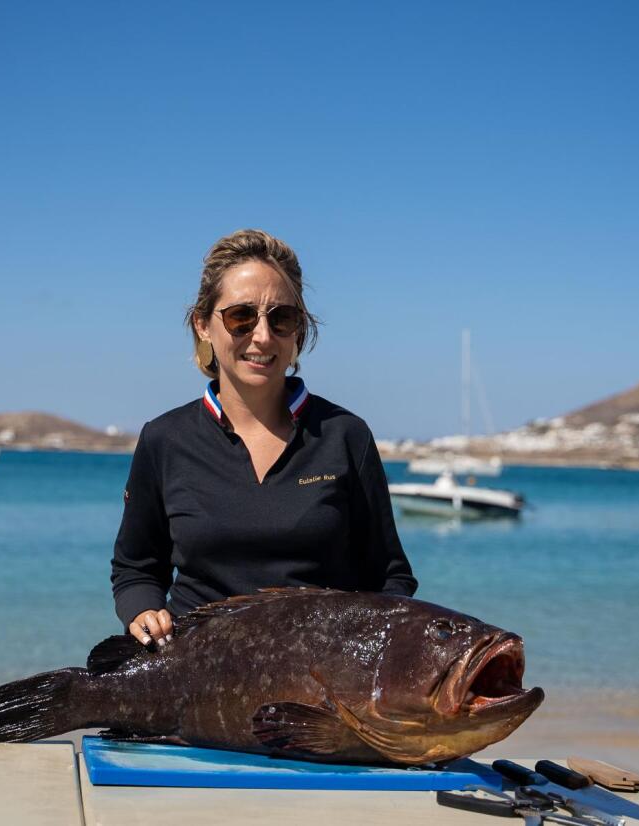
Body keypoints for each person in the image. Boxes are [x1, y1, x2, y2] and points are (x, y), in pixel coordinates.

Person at [111, 229, 417, 647]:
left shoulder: (346, 436)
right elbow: (137, 567)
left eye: (281, 318)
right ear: (204, 325)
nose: (262, 336)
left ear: (297, 331)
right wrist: (143, 609)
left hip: (318, 694)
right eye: (241, 316)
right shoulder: (164, 439)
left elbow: (389, 577)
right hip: (193, 682)